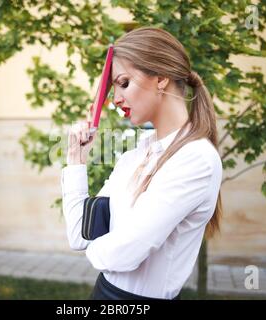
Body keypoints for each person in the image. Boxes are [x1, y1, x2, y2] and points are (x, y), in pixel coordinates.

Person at [61, 26, 223, 300]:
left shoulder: (196, 160)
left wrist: (98, 248)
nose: (116, 100)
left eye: (123, 83)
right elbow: (79, 234)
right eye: (113, 89)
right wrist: (76, 161)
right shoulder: (136, 155)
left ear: (160, 78)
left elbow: (126, 253)